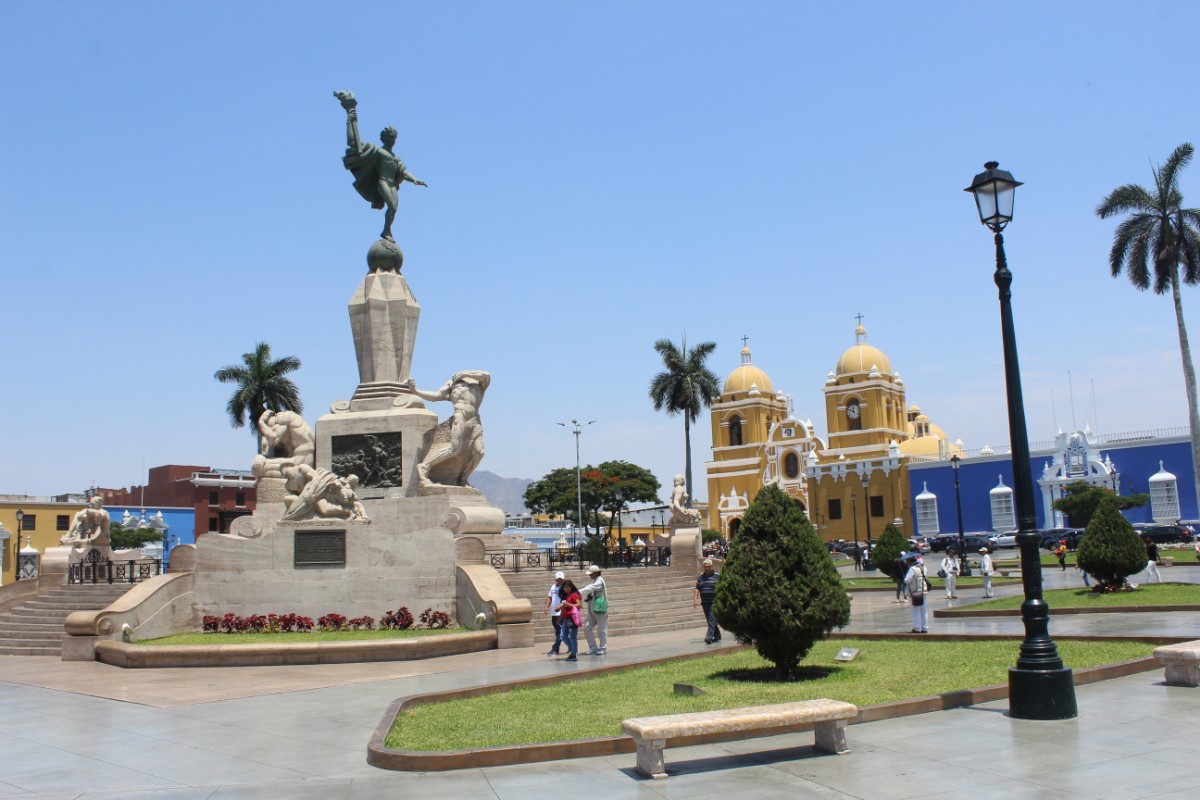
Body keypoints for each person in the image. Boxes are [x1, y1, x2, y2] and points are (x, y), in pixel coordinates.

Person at [334, 90, 427, 242]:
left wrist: (415, 180)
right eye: (390, 137)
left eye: (394, 138)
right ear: (384, 138)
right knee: (391, 206)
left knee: (394, 209)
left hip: (392, 185)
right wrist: (350, 120)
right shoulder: (377, 151)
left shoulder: (396, 158)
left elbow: (403, 172)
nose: (393, 140)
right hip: (382, 181)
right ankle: (386, 232)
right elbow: (354, 144)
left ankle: (387, 230)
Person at [404, 371, 490, 487]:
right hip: (461, 417)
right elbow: (435, 396)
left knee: (480, 452)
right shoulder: (452, 383)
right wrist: (415, 391)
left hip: (475, 420)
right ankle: (424, 467)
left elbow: (486, 375)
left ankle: (463, 478)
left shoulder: (479, 382)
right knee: (454, 449)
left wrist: (465, 374)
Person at [580, 564, 608, 655]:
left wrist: (576, 592)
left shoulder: (599, 581)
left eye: (591, 573)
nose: (589, 575)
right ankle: (593, 647)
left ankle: (603, 648)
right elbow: (591, 591)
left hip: (600, 609)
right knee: (587, 628)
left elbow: (589, 589)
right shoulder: (594, 581)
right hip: (592, 610)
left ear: (596, 573)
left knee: (601, 629)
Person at [693, 558, 721, 644]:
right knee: (710, 619)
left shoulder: (717, 576)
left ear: (711, 566)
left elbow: (722, 587)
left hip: (715, 601)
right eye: (705, 567)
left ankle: (709, 637)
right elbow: (697, 588)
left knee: (711, 618)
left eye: (708, 567)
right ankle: (717, 635)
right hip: (705, 602)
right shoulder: (701, 577)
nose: (706, 568)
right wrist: (695, 599)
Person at [904, 555, 930, 633]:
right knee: (924, 611)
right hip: (924, 591)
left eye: (907, 561)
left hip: (915, 592)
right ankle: (925, 627)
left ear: (910, 561)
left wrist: (905, 577)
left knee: (915, 610)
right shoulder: (923, 568)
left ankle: (917, 628)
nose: (906, 562)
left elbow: (906, 580)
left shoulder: (912, 569)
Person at [557, 579, 582, 661]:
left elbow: (579, 605)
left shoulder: (574, 595)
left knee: (572, 636)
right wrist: (560, 618)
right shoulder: (565, 596)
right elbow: (563, 609)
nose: (565, 589)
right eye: (564, 587)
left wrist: (569, 604)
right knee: (563, 636)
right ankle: (573, 649)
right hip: (565, 618)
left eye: (567, 587)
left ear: (571, 587)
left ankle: (573, 654)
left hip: (572, 618)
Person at [544, 571, 566, 656]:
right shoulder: (553, 587)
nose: (559, 581)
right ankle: (571, 647)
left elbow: (566, 600)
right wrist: (547, 606)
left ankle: (554, 648)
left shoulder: (565, 588)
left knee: (560, 632)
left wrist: (560, 606)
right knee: (558, 632)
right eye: (558, 579)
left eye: (561, 580)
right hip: (554, 613)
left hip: (561, 613)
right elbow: (550, 597)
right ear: (555, 579)